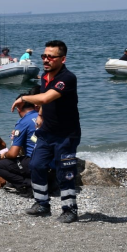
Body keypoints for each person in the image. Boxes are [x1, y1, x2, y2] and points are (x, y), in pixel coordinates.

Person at [11, 40, 81, 223]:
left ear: (62, 59)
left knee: (64, 171)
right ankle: (42, 203)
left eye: (51, 56)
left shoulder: (67, 78)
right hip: (46, 132)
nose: (46, 60)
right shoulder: (45, 76)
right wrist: (40, 114)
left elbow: (46, 96)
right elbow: (44, 101)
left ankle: (70, 209)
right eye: (44, 56)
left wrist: (23, 97)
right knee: (36, 165)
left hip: (66, 134)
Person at [0, 94, 38, 197]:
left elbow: (13, 154)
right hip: (51, 161)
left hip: (35, 162)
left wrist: (4, 155)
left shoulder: (23, 122)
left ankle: (27, 185)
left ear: (18, 107)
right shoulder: (41, 117)